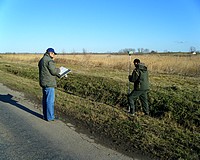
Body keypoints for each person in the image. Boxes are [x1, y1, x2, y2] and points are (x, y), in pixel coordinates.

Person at [38, 48, 61, 121]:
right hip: (49, 83)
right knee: (50, 101)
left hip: (43, 82)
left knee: (45, 100)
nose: (54, 55)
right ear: (50, 53)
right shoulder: (49, 61)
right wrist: (59, 70)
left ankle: (45, 115)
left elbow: (46, 70)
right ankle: (50, 117)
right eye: (53, 54)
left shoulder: (42, 60)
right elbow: (53, 71)